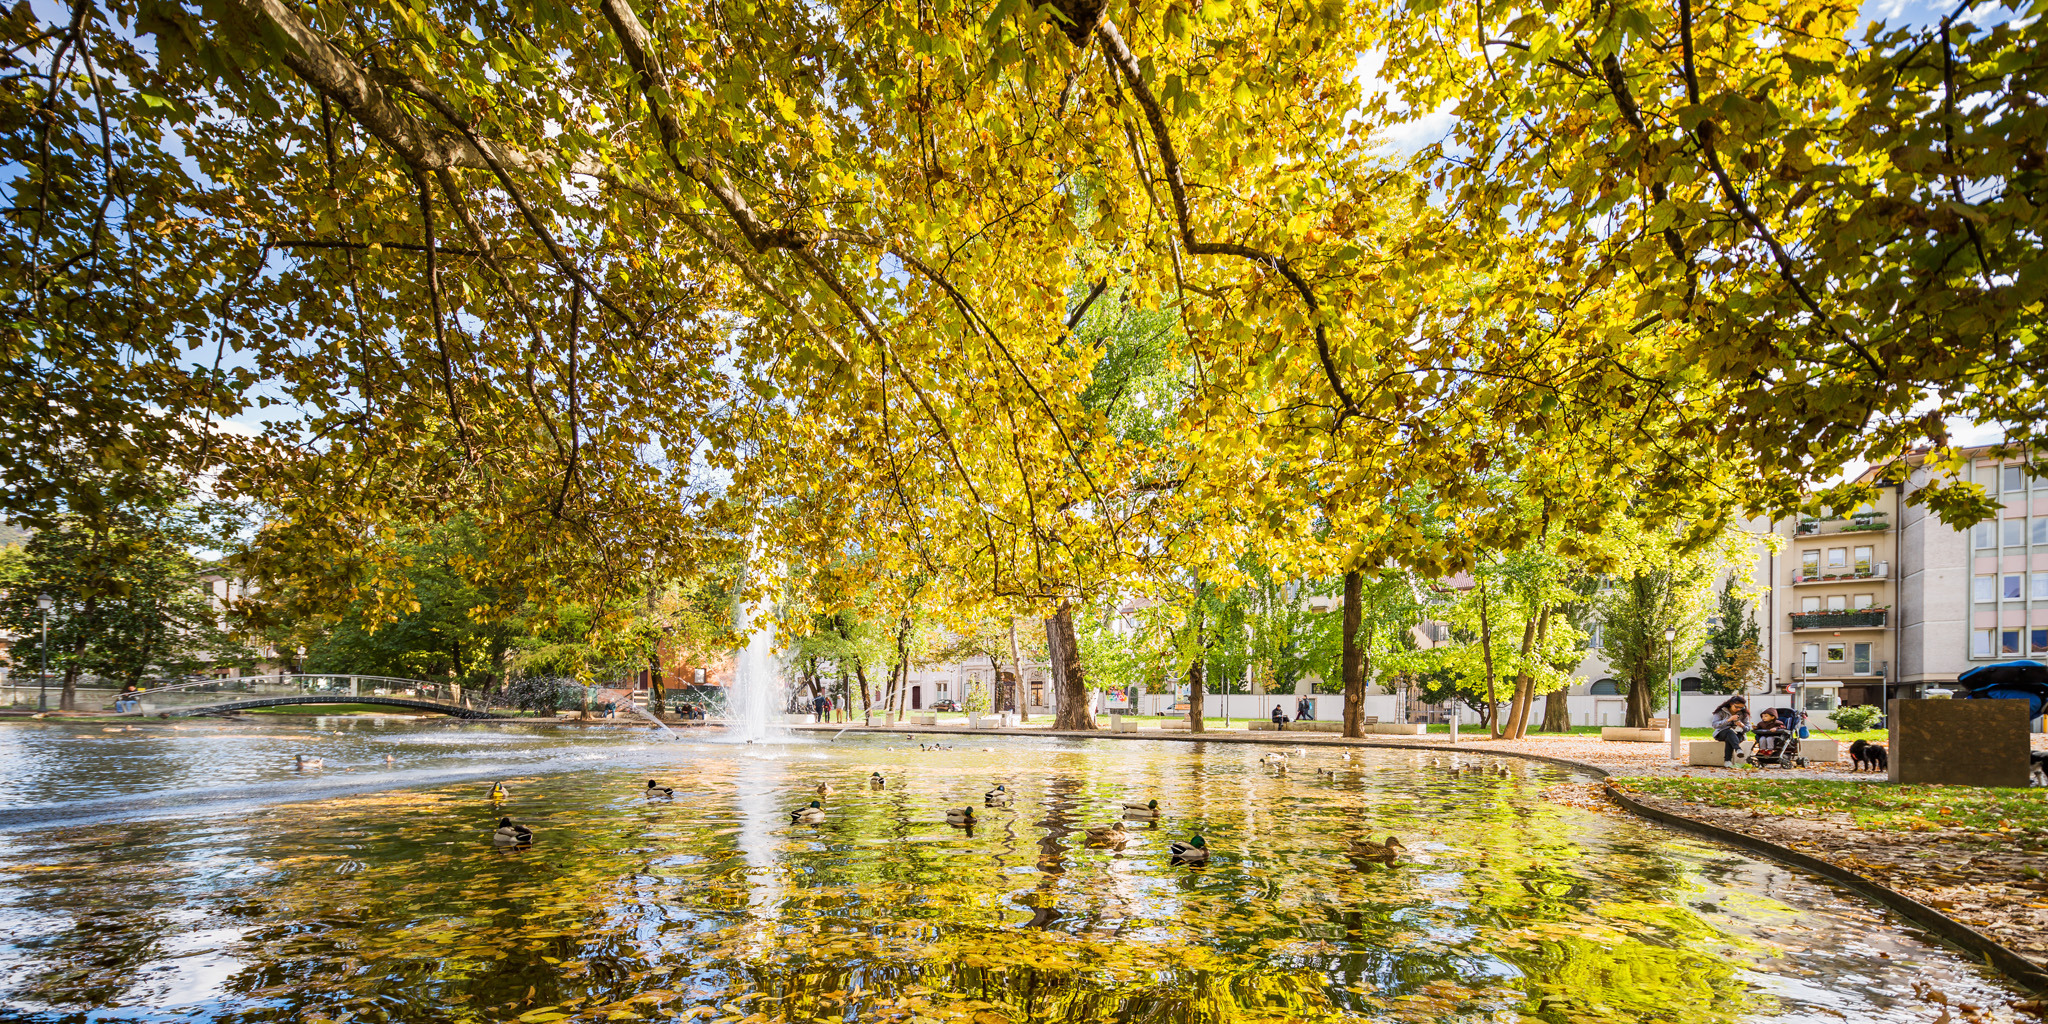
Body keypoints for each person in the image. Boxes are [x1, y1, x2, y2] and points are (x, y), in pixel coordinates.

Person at [1709, 697, 1750, 769]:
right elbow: (1715, 725)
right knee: (1729, 732)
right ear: (1731, 704)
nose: (1738, 709)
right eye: (1736, 707)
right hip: (1722, 733)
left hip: (1738, 734)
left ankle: (1727, 761)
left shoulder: (1743, 714)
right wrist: (1728, 720)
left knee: (1729, 739)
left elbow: (1748, 728)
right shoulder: (1721, 711)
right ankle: (1738, 749)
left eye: (1741, 707)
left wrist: (1742, 725)